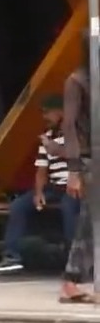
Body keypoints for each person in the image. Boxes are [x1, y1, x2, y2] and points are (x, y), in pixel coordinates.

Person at [0, 94, 78, 275]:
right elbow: (41, 170)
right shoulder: (48, 137)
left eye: (47, 113)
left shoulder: (77, 132)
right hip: (55, 186)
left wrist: (55, 148)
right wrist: (38, 192)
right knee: (18, 206)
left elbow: (81, 157)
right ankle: (12, 257)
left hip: (76, 184)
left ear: (60, 112)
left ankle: (74, 259)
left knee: (70, 208)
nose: (44, 117)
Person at [61, 61, 93, 303]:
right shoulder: (77, 80)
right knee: (89, 221)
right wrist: (73, 170)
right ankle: (72, 279)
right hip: (90, 157)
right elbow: (69, 125)